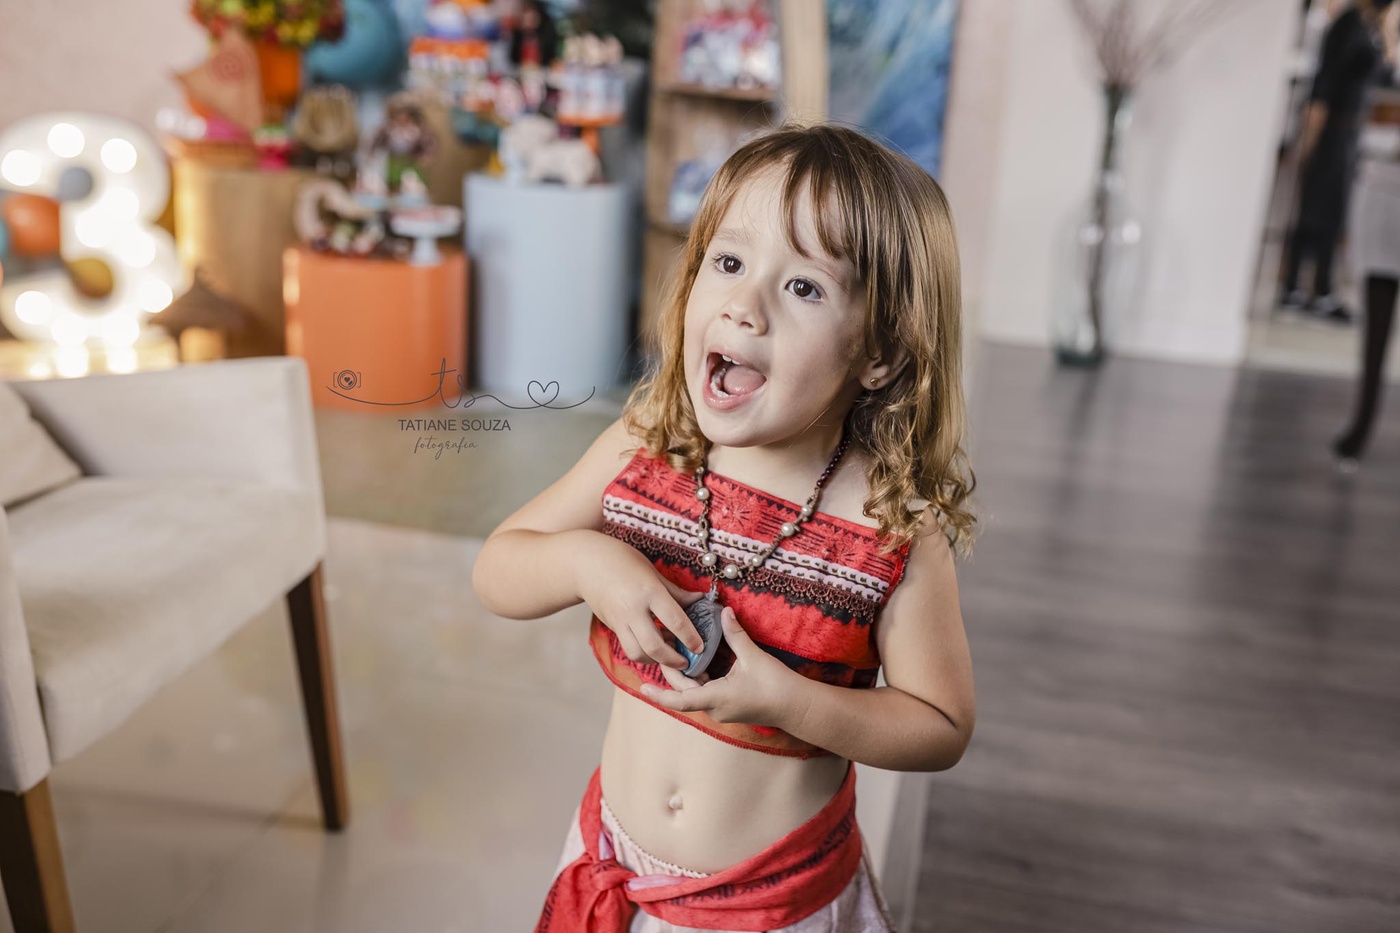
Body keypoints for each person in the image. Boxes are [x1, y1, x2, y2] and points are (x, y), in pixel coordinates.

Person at [471, 123, 978, 931]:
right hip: (614, 865)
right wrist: (588, 561)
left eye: (804, 286)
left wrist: (789, 701)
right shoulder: (647, 447)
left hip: (772, 904)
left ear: (879, 350)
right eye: (730, 262)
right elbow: (498, 569)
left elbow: (940, 725)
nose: (745, 306)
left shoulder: (887, 526)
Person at [1280, 0, 1396, 324]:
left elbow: (1386, 73)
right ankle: (1294, 288)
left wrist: (1389, 27)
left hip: (1350, 134)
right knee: (1314, 209)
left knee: (1333, 213)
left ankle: (1322, 289)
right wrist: (1311, 137)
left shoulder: (1371, 28)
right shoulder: (1347, 24)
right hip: (1332, 130)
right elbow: (1325, 82)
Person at [1334, 149, 1400, 468]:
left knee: (1375, 341)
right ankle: (1358, 432)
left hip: (1382, 197)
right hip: (1383, 200)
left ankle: (1358, 435)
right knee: (1374, 340)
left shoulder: (1376, 176)